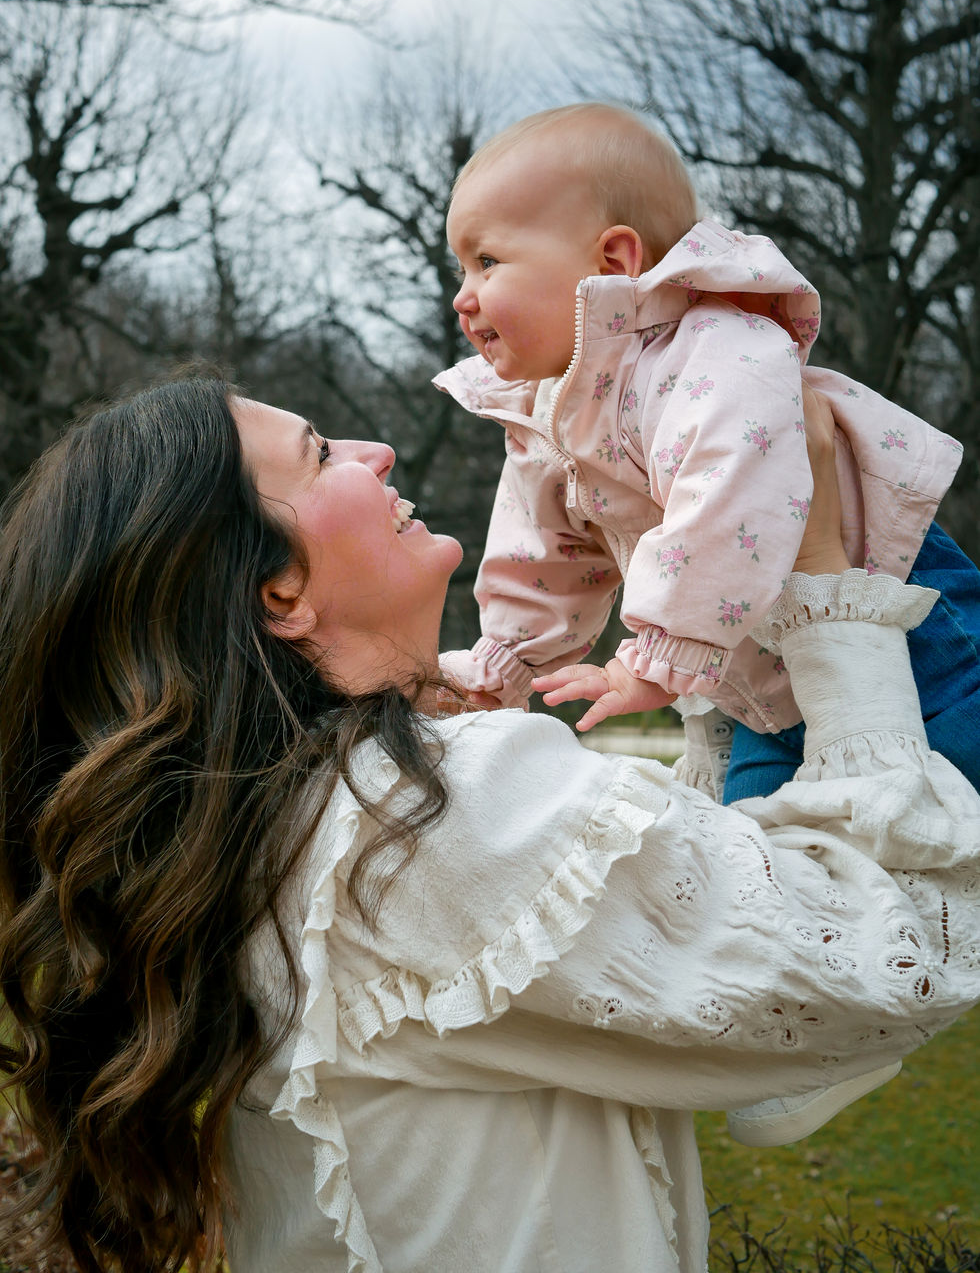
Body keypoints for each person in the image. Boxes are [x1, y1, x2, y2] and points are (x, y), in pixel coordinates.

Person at [0, 374, 978, 1273]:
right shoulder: (424, 817)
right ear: (278, 592)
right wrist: (816, 576)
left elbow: (706, 881)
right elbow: (875, 952)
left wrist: (695, 627)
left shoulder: (279, 818)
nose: (372, 451)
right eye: (318, 455)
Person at [435, 103, 980, 810]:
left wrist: (659, 655)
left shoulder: (712, 345)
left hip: (894, 610)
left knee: (955, 799)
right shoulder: (549, 415)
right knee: (762, 837)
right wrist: (505, 661)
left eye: (486, 262)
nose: (462, 297)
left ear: (612, 261)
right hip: (750, 674)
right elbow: (544, 556)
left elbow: (727, 494)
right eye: (460, 268)